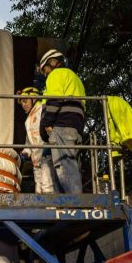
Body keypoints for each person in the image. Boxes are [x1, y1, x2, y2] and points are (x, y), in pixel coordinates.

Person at [38, 49, 86, 193]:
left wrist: (46, 124)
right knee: (71, 164)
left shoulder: (56, 74)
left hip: (62, 125)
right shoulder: (75, 78)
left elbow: (54, 100)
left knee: (63, 165)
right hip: (76, 126)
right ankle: (69, 203)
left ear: (52, 62)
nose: (45, 73)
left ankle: (74, 204)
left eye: (45, 69)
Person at [17, 86, 56, 194]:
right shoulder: (27, 120)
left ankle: (51, 210)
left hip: (47, 157)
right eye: (22, 103)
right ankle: (43, 210)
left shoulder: (43, 109)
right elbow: (28, 142)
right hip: (36, 162)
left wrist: (50, 149)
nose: (23, 105)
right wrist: (25, 152)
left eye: (25, 101)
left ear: (34, 99)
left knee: (48, 187)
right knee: (39, 190)